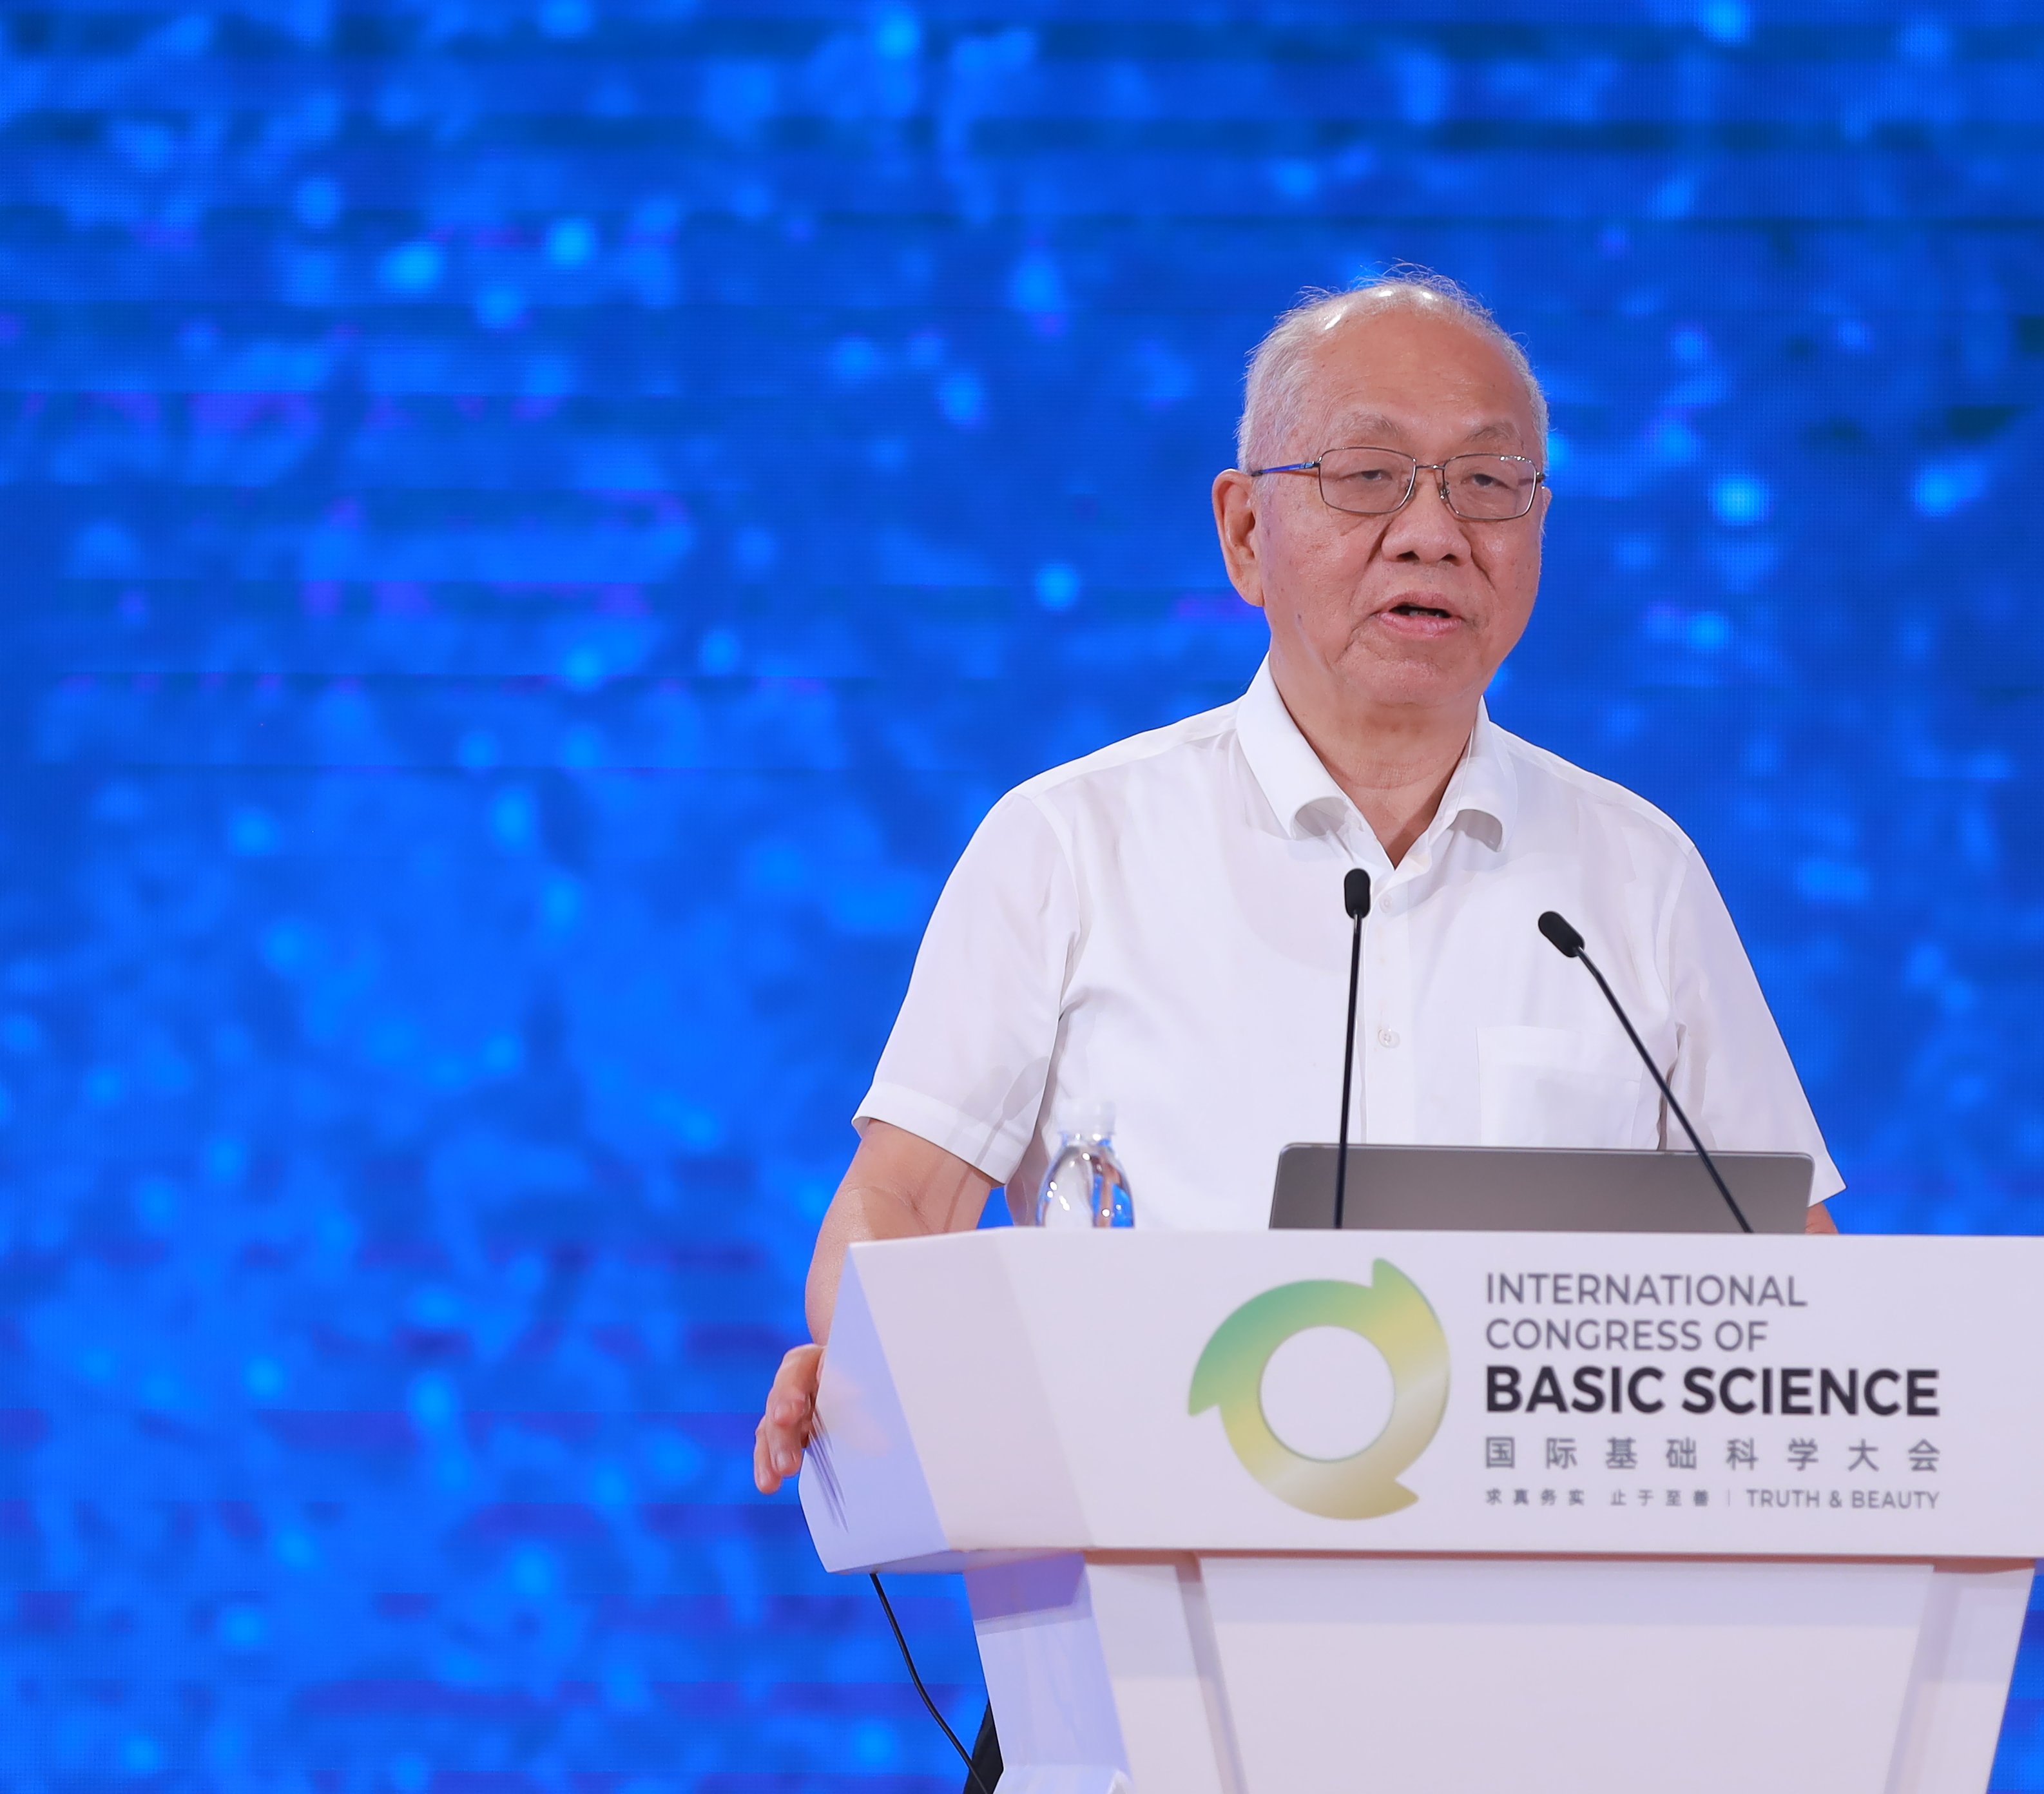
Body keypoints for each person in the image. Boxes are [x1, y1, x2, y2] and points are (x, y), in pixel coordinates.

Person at [754, 269, 1840, 1501]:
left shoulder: (1637, 875)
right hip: (1145, 1571)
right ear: (1243, 533)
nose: (1432, 532)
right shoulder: (1069, 846)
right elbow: (899, 1205)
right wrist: (884, 1369)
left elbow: (1804, 1288)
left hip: (1552, 1591)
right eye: (1368, 476)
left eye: (1488, 483)